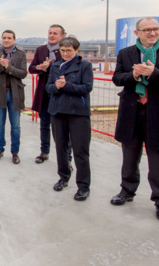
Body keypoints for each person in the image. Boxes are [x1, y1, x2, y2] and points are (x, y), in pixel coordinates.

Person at [110, 17, 159, 223]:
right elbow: (117, 78)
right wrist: (133, 76)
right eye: (147, 30)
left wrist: (155, 73)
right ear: (137, 33)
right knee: (129, 157)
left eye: (156, 29)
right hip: (131, 112)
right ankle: (127, 191)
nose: (152, 33)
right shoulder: (126, 54)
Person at [45, 36, 93, 201]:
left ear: (76, 50)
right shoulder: (55, 66)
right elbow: (48, 87)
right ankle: (64, 177)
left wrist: (67, 86)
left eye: (69, 50)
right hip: (58, 112)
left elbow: (87, 88)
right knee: (60, 149)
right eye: (63, 50)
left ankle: (83, 186)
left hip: (78, 114)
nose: (65, 53)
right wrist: (56, 87)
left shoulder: (84, 66)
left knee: (80, 151)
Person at [0, 30, 27, 164]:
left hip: (15, 94)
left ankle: (15, 152)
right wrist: (1, 65)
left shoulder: (21, 54)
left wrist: (8, 67)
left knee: (15, 126)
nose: (6, 40)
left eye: (9, 38)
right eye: (4, 38)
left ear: (14, 40)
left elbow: (23, 74)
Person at [29, 24, 65, 164]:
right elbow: (32, 68)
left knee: (62, 127)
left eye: (55, 33)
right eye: (50, 32)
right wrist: (40, 68)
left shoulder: (65, 50)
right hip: (44, 93)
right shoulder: (41, 49)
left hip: (60, 93)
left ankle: (66, 157)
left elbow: (66, 67)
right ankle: (44, 152)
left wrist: (49, 66)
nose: (52, 35)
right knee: (44, 123)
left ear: (62, 36)